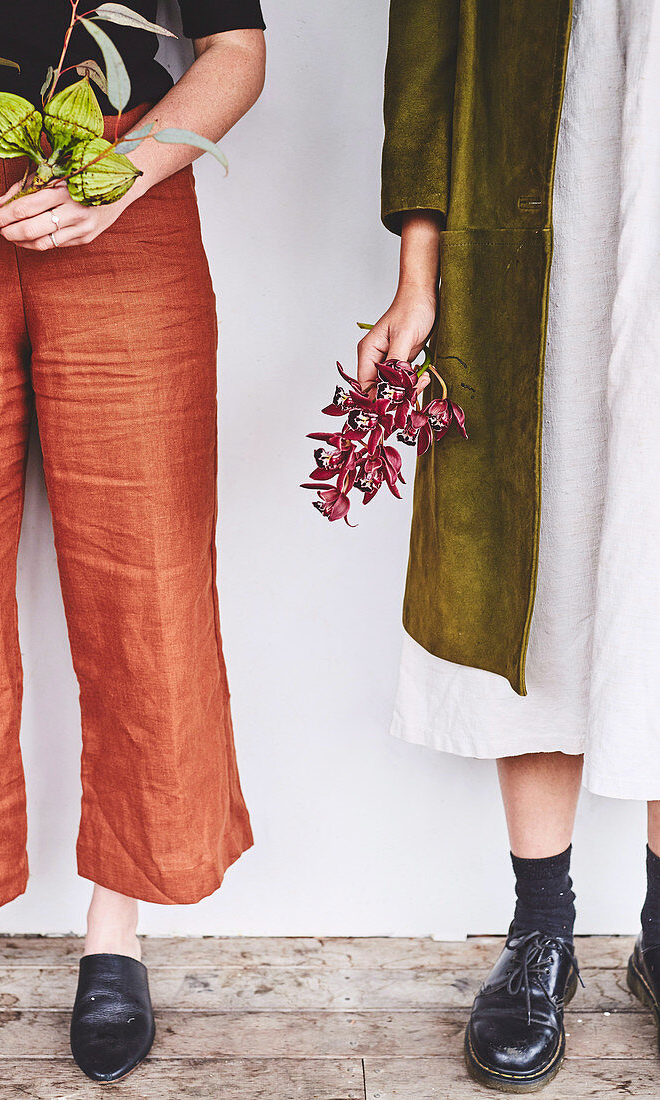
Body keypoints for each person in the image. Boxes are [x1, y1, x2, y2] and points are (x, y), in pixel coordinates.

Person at [0, 0, 265, 1083]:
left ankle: (114, 924)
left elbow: (235, 51)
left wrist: (128, 173)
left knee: (143, 574)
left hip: (121, 192)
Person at [363, 0, 659, 1091]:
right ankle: (542, 931)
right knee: (535, 554)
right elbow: (429, 37)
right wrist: (418, 268)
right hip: (539, 179)